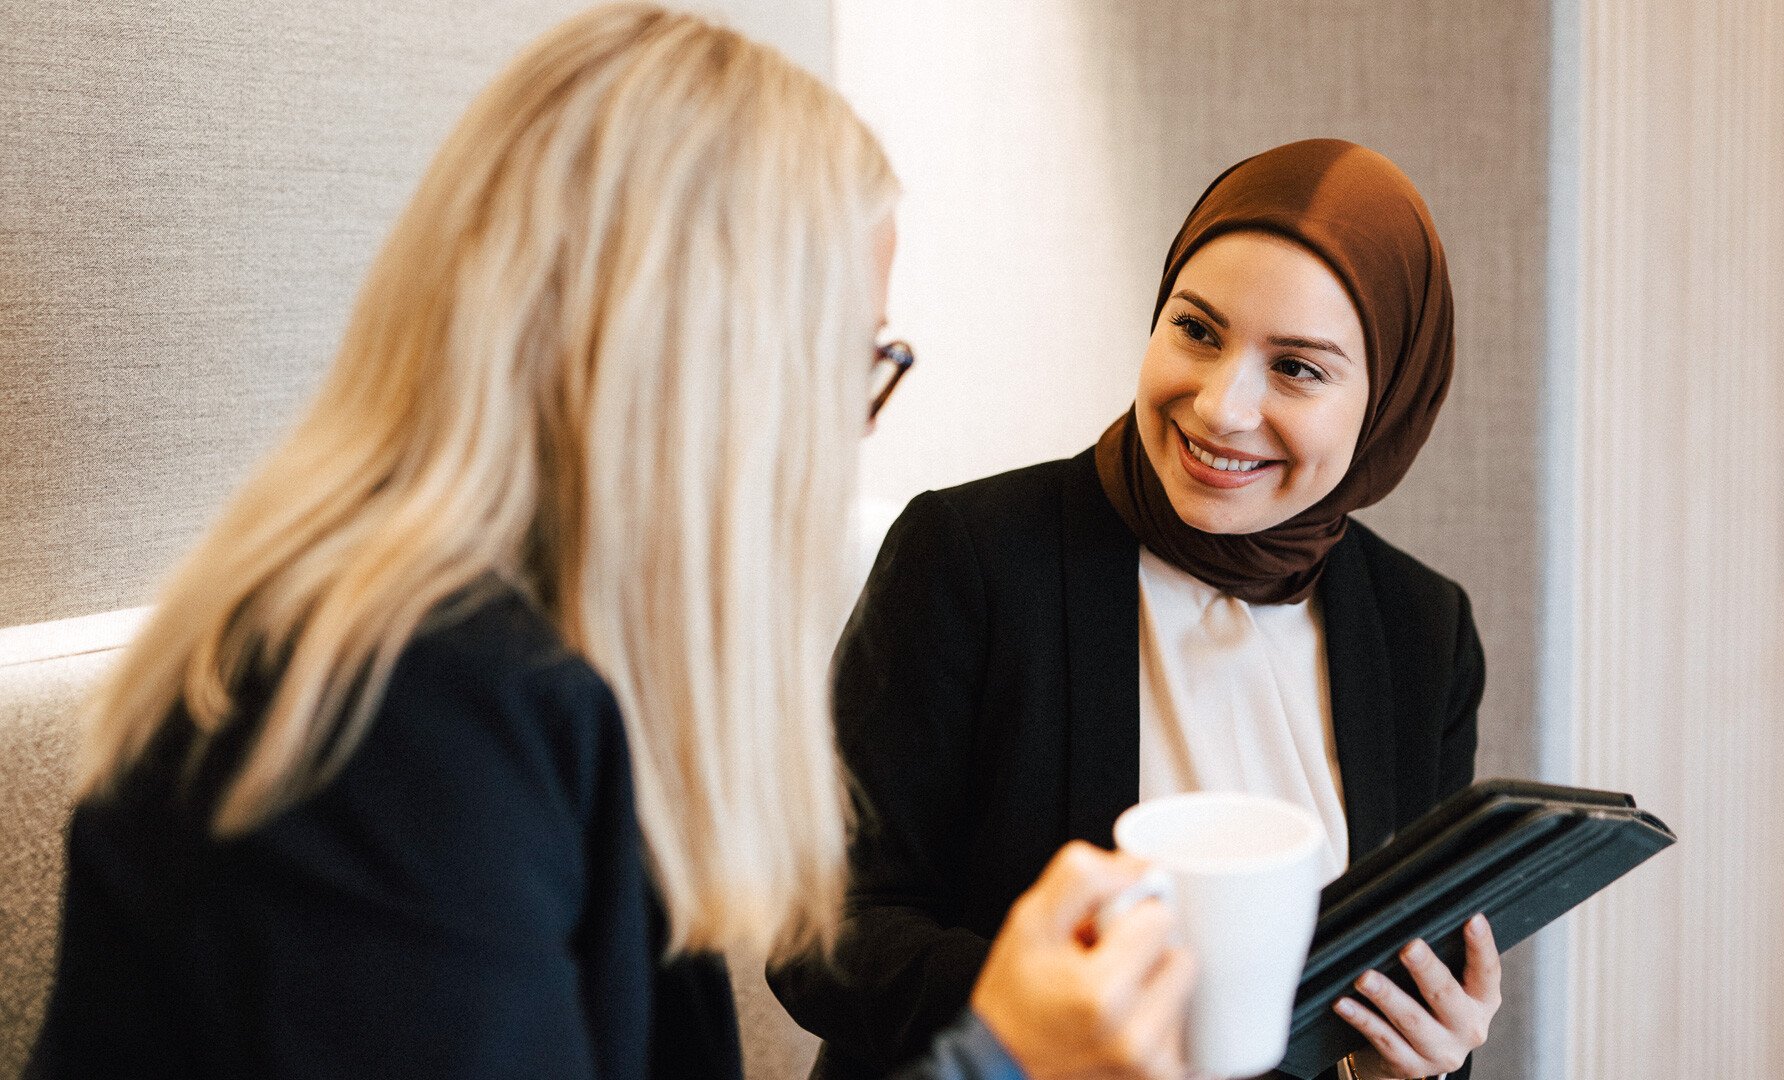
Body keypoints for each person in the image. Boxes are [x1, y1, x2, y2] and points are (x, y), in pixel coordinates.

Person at [25, 6, 1196, 1079]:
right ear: (699, 369)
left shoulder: (514, 672)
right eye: (855, 359)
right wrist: (1003, 1059)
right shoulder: (404, 721)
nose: (852, 430)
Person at [770, 140, 1502, 1080]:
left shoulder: (1422, 629)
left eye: (1298, 369)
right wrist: (1038, 1014)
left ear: (1390, 403)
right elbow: (817, 930)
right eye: (1198, 330)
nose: (1222, 406)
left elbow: (1395, 980)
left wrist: (1418, 1062)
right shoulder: (974, 556)